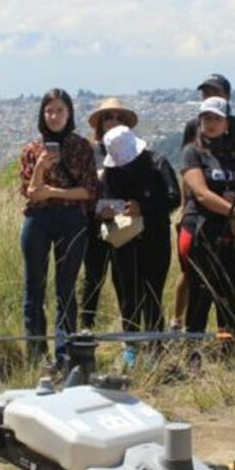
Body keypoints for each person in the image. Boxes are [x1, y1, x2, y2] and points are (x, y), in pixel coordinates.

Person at [172, 74, 235, 330]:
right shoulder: (193, 151)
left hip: (234, 231)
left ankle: (227, 345)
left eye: (216, 118)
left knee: (228, 290)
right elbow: (199, 192)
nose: (211, 124)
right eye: (206, 118)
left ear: (227, 121)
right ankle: (194, 346)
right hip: (202, 226)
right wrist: (233, 211)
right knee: (200, 290)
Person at [19, 88, 97, 363]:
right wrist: (40, 167)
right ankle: (36, 351)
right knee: (33, 287)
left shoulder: (81, 147)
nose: (54, 116)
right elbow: (28, 191)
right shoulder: (32, 149)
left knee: (65, 288)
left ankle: (65, 350)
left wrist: (52, 191)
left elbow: (88, 191)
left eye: (60, 110)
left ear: (69, 113)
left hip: (71, 220)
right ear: (42, 114)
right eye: (49, 111)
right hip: (38, 219)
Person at [101, 123, 180, 364]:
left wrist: (143, 208)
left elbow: (173, 198)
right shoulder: (112, 171)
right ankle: (131, 345)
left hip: (155, 237)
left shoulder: (158, 163)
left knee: (153, 294)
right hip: (125, 240)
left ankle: (156, 346)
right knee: (128, 294)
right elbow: (105, 199)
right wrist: (110, 210)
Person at [78, 98, 138, 333]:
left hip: (123, 221)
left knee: (125, 281)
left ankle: (129, 332)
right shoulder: (90, 152)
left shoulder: (132, 152)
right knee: (92, 278)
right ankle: (86, 329)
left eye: (118, 118)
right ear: (100, 124)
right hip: (94, 222)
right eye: (108, 117)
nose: (113, 122)